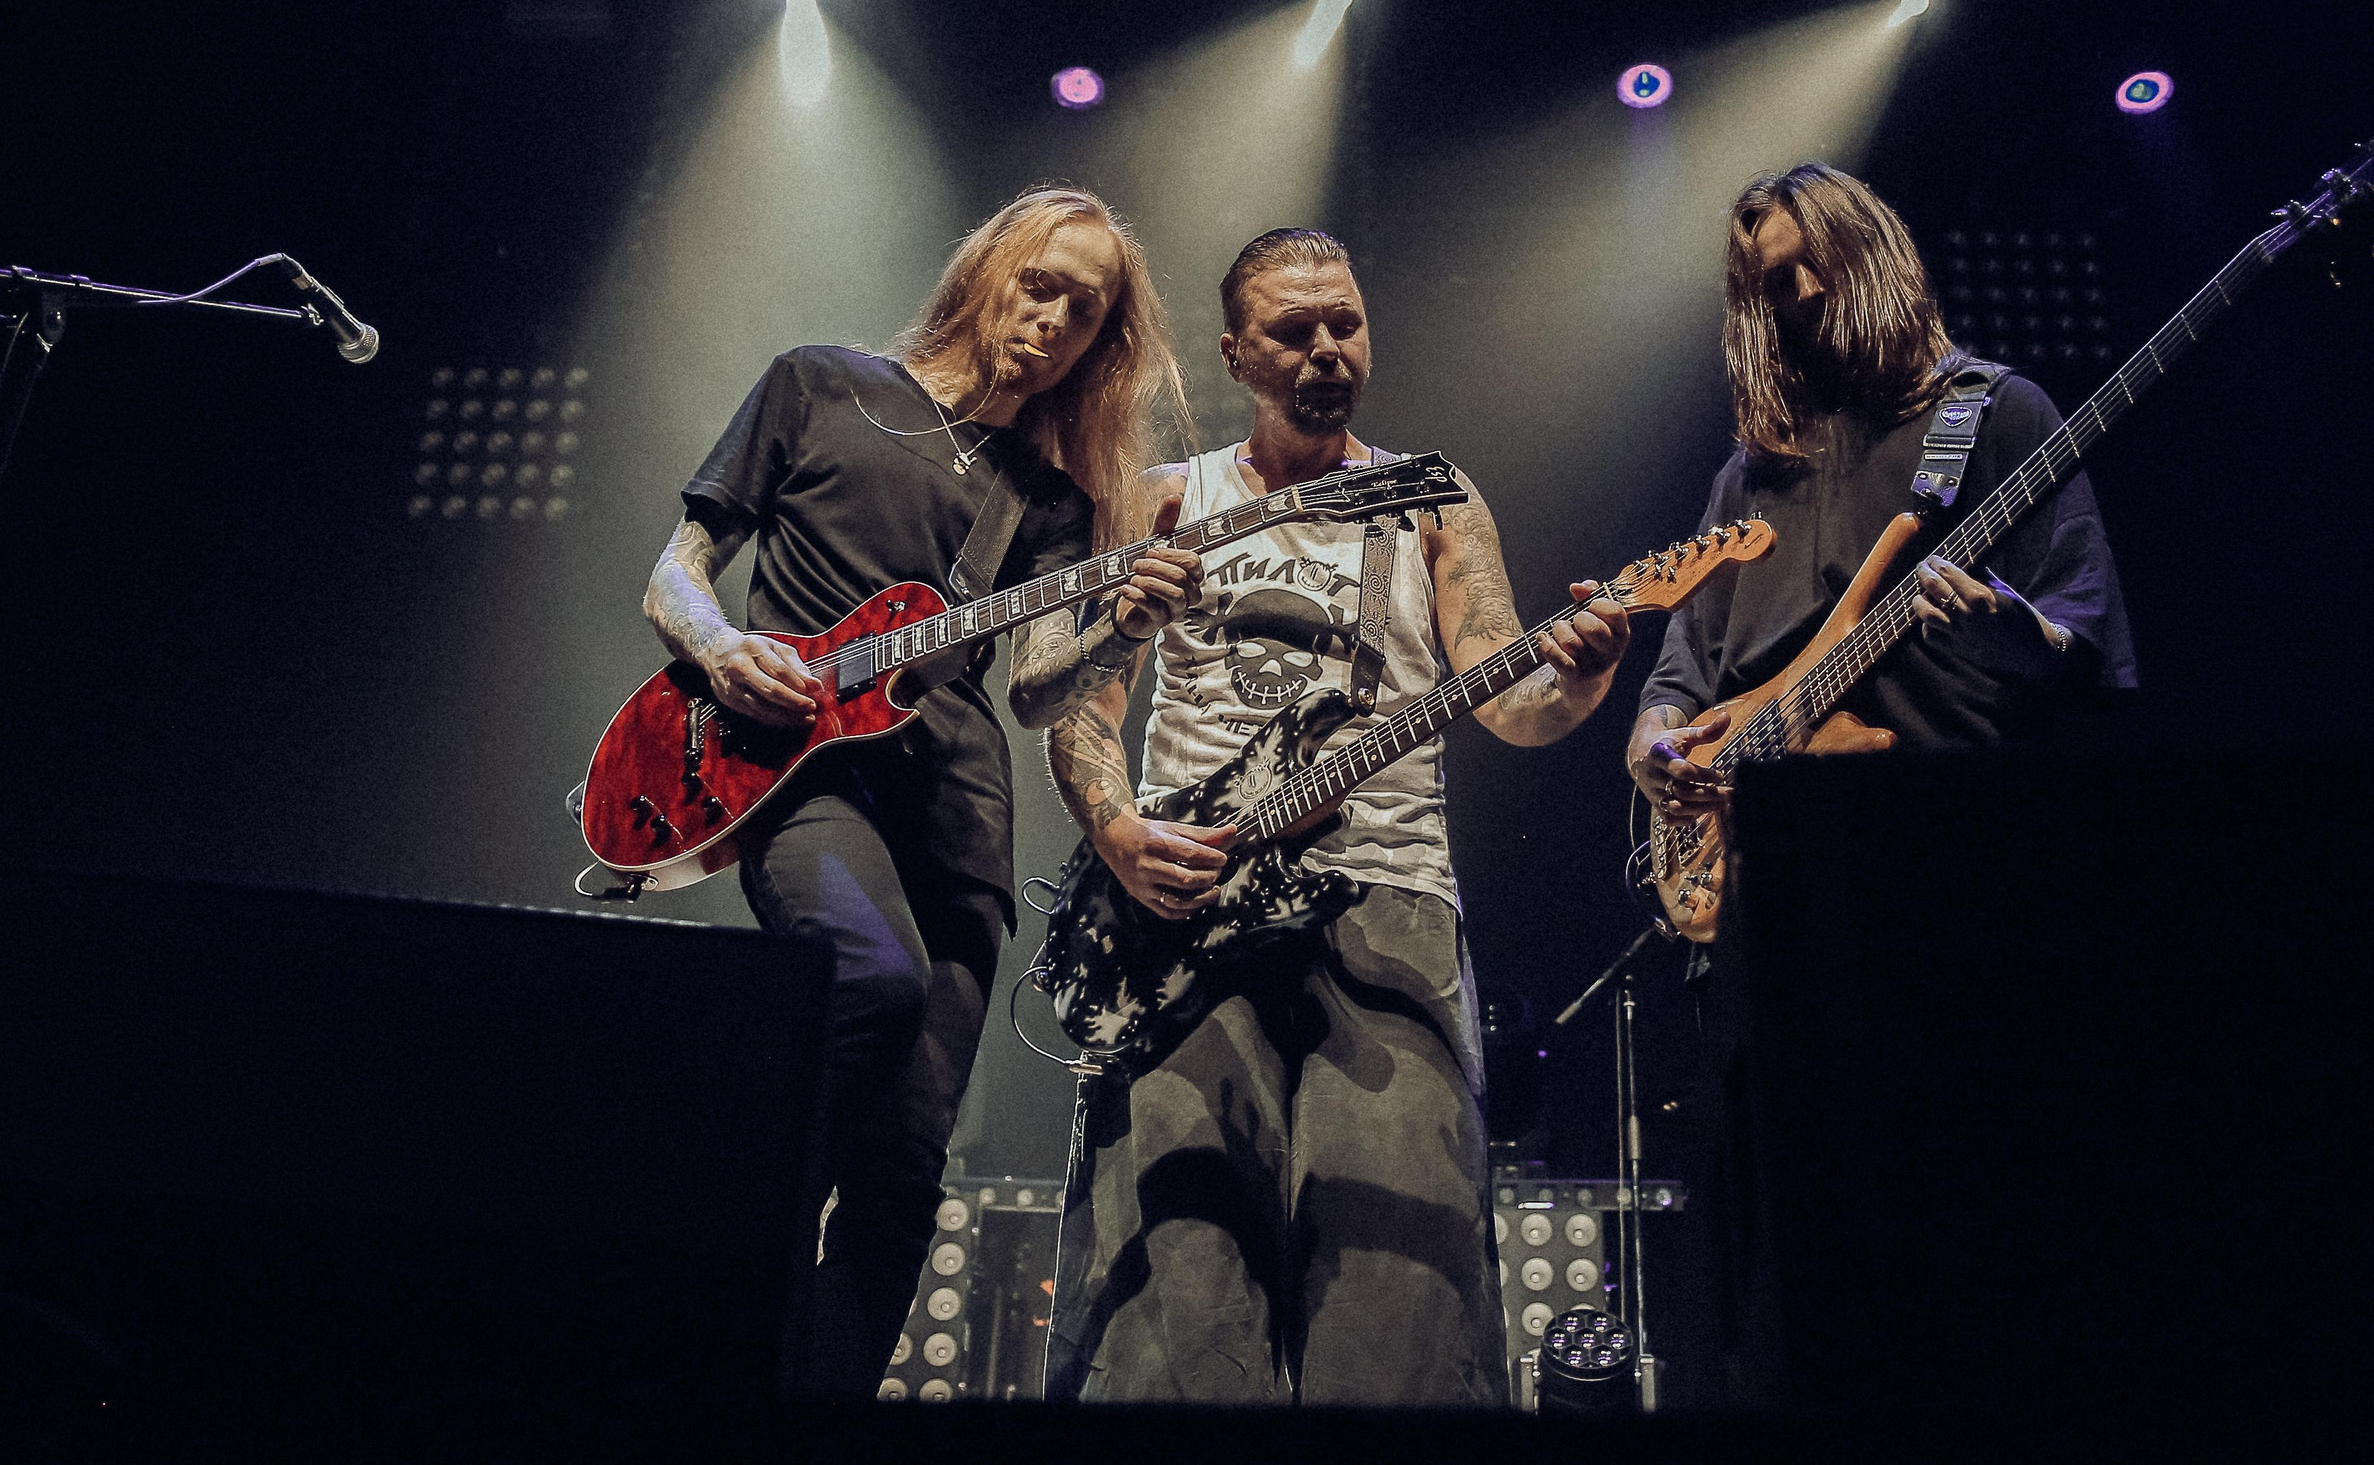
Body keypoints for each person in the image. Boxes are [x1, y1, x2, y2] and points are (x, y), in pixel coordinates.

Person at [1042, 227, 1633, 1407]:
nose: (1326, 350)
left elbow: (1506, 701)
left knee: (1399, 1291)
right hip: (1186, 911)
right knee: (1176, 1287)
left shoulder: (1431, 497)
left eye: (1345, 324)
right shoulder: (1164, 499)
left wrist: (1582, 673)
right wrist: (1116, 835)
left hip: (1388, 896)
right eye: (1293, 331)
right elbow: (1078, 704)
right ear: (1235, 354)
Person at [641, 186, 1201, 1401]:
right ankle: (708, 1265)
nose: (1054, 320)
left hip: (958, 826)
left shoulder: (1048, 500)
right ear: (988, 271)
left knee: (905, 1174)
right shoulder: (820, 385)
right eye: (1041, 285)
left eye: (1085, 310)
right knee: (871, 979)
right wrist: (716, 648)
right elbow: (677, 573)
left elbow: (1043, 691)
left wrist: (1121, 630)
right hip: (797, 775)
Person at [1626, 162, 2136, 1405]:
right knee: (1774, 1257)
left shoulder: (1994, 416)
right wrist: (1655, 737)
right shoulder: (1754, 467)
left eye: (1813, 264)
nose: (1796, 294)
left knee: (1958, 1243)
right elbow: (1686, 666)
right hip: (1756, 901)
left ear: (1875, 253)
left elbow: (2084, 635)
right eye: (1768, 283)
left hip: (1941, 884)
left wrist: (2016, 625)